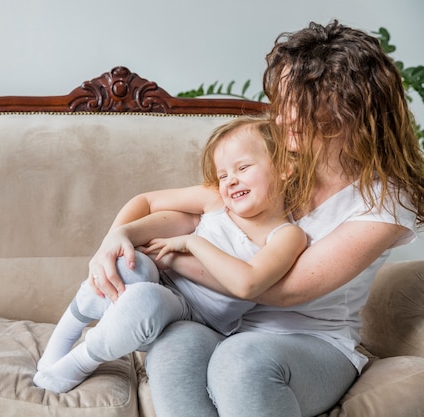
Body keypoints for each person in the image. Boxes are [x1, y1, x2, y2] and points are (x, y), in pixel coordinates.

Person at [87, 20, 424, 417]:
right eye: (279, 103)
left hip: (312, 342)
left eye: (293, 103)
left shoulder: (386, 198)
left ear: (343, 105)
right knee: (175, 344)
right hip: (227, 325)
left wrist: (169, 255)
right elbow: (178, 208)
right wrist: (115, 239)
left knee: (241, 360)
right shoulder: (278, 164)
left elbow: (286, 290)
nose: (279, 118)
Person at [33, 116, 307, 393]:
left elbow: (247, 284)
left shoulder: (287, 236)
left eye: (243, 167)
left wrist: (193, 243)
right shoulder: (215, 200)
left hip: (198, 318)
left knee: (143, 301)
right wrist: (115, 237)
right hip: (162, 280)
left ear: (285, 168)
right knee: (127, 263)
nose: (230, 181)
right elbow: (147, 201)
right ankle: (62, 338)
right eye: (223, 175)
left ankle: (80, 361)